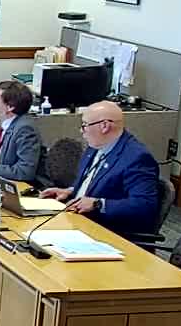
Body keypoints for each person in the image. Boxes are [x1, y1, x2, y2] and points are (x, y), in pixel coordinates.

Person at [40, 101, 160, 235]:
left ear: (104, 126)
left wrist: (98, 204)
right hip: (75, 218)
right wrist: (70, 191)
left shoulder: (136, 158)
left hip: (105, 230)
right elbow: (92, 182)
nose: (81, 131)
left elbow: (144, 205)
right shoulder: (95, 146)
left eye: (84, 125)